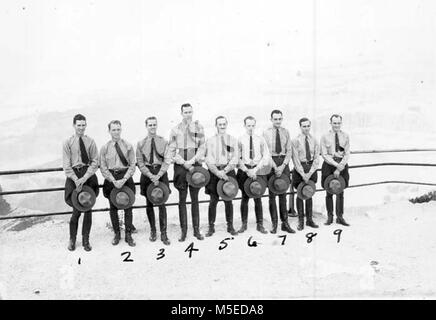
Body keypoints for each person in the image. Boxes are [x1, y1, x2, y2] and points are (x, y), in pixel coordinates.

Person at [168, 103, 206, 241]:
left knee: (195, 199)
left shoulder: (199, 128)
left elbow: (202, 147)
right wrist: (184, 162)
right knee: (182, 199)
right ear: (181, 113)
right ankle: (184, 231)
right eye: (185, 112)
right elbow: (172, 151)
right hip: (180, 165)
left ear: (193, 112)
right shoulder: (175, 129)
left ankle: (196, 230)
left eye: (190, 112)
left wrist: (193, 160)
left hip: (195, 163)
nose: (188, 114)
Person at [63, 114, 99, 251]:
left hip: (88, 175)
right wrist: (76, 179)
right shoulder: (67, 142)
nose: (81, 128)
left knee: (88, 208)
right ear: (74, 125)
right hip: (74, 177)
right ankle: (72, 239)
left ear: (86, 125)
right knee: (76, 210)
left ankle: (86, 240)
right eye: (79, 125)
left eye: (83, 125)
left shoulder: (91, 141)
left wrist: (85, 177)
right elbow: (66, 165)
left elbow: (95, 161)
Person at [100, 120, 137, 246]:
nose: (116, 132)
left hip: (125, 177)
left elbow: (132, 165)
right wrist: (113, 180)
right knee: (113, 207)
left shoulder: (128, 145)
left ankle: (128, 235)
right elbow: (103, 167)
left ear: (121, 130)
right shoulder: (105, 148)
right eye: (113, 129)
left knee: (128, 207)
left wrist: (124, 179)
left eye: (118, 129)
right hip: (112, 179)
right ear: (109, 131)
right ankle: (117, 234)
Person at [136, 116, 171, 245]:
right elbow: (140, 162)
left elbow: (167, 160)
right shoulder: (141, 143)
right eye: (150, 125)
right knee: (149, 203)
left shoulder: (164, 141)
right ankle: (153, 231)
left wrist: (159, 174)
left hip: (161, 172)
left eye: (154, 125)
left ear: (157, 125)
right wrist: (150, 175)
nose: (152, 127)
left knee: (162, 203)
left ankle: (164, 233)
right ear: (146, 126)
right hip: (147, 174)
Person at [204, 116, 239, 237]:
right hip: (214, 173)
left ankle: (230, 226)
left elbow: (235, 158)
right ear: (216, 125)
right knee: (213, 201)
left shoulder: (233, 140)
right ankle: (211, 227)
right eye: (220, 124)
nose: (222, 126)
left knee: (228, 200)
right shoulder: (210, 141)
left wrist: (225, 170)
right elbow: (208, 160)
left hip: (228, 171)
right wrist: (217, 172)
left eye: (224, 124)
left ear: (227, 124)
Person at [236, 116, 271, 234]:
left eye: (252, 125)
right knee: (244, 198)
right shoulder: (240, 140)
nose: (251, 128)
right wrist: (246, 170)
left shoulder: (260, 139)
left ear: (255, 125)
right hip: (245, 171)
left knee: (258, 197)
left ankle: (259, 224)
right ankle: (244, 224)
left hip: (257, 170)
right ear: (244, 126)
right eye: (248, 125)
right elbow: (237, 157)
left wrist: (255, 170)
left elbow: (265, 156)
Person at [263, 110, 295, 233]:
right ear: (271, 119)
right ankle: (274, 224)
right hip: (271, 164)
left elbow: (289, 151)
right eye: (275, 119)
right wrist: (275, 167)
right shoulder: (265, 133)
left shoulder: (286, 132)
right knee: (272, 196)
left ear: (282, 119)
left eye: (280, 119)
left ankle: (285, 223)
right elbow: (265, 152)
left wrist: (283, 166)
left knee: (283, 194)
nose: (278, 121)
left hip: (283, 164)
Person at [320, 114, 351, 226]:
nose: (337, 125)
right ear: (331, 123)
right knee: (329, 191)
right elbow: (324, 154)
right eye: (334, 123)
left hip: (342, 165)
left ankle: (340, 217)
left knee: (340, 191)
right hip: (329, 165)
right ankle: (330, 216)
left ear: (341, 123)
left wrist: (341, 165)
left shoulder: (346, 136)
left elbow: (347, 153)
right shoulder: (324, 136)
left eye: (338, 123)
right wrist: (335, 165)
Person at [291, 117, 320, 230]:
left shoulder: (314, 140)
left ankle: (309, 219)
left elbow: (317, 158)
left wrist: (311, 172)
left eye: (308, 126)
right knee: (300, 194)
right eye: (304, 126)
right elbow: (295, 159)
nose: (306, 128)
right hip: (300, 169)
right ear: (300, 127)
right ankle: (301, 221)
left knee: (309, 192)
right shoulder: (295, 141)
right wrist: (303, 174)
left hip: (311, 168)